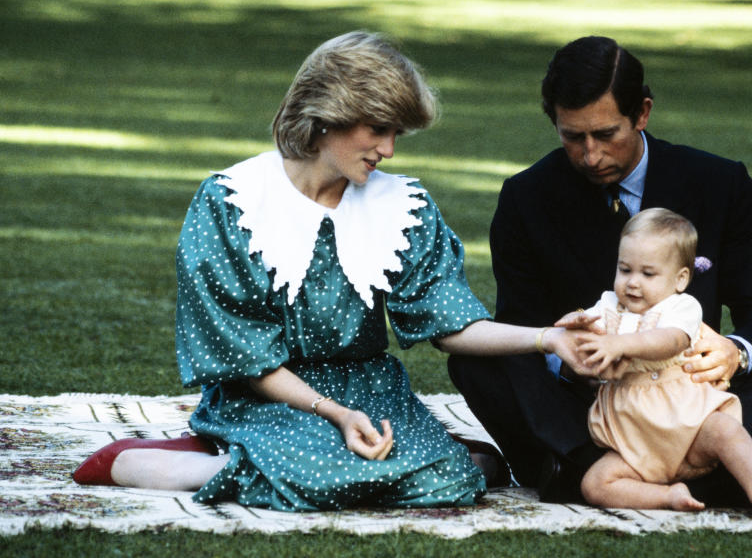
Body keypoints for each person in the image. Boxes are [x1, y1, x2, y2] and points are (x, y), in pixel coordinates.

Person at [72, 31, 586, 511]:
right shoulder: (234, 203)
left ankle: (252, 463)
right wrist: (334, 414)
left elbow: (450, 322)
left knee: (454, 478)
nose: (388, 150)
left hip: (369, 388)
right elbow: (245, 358)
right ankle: (187, 463)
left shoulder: (403, 205)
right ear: (327, 116)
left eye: (396, 134)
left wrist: (549, 338)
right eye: (378, 130)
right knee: (323, 474)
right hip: (265, 391)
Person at [448, 35, 752, 505]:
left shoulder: (719, 184)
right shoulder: (525, 198)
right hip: (588, 410)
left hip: (691, 401)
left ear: (642, 113)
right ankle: (712, 478)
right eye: (573, 137)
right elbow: (521, 325)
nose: (591, 155)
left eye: (606, 134)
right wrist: (569, 357)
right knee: (477, 359)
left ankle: (580, 478)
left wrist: (735, 352)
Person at [566, 207, 752, 519]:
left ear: (680, 279)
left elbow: (666, 341)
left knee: (727, 432)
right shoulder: (609, 304)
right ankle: (668, 495)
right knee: (595, 484)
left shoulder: (681, 307)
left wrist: (618, 344)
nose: (632, 283)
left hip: (689, 426)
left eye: (647, 274)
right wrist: (572, 325)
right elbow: (584, 326)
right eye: (624, 269)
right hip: (632, 441)